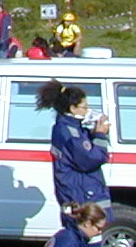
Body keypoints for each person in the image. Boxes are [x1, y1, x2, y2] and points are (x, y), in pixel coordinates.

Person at [42, 79, 110, 223]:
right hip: (81, 195)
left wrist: (92, 133)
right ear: (72, 108)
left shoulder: (73, 129)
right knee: (85, 237)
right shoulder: (69, 132)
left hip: (81, 192)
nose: (88, 111)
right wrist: (100, 135)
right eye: (84, 107)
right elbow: (90, 159)